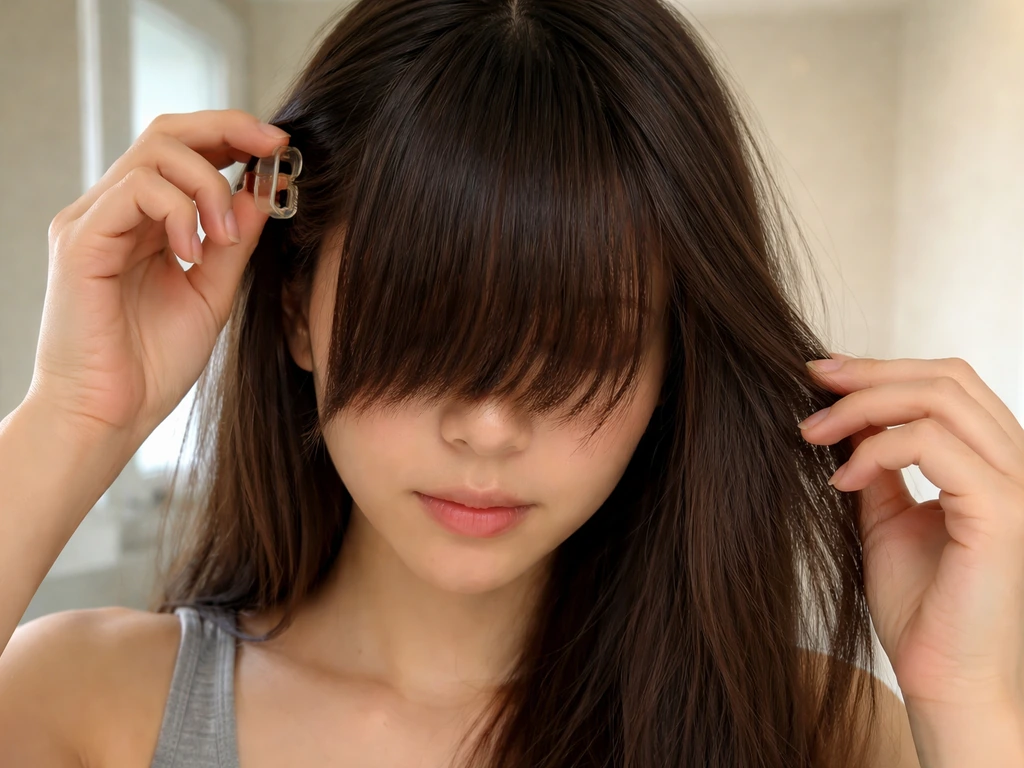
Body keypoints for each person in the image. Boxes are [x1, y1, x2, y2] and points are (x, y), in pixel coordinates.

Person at [4, 0, 1024, 766]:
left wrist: (967, 705)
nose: (487, 428)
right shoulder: (87, 707)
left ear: (671, 361)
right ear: (292, 313)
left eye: (580, 353)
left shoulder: (812, 733)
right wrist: (74, 419)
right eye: (422, 332)